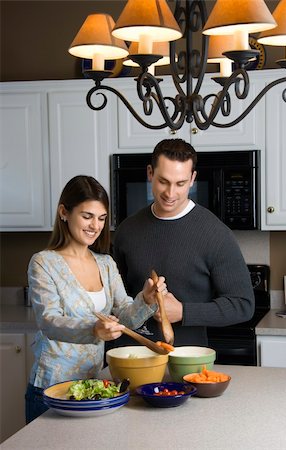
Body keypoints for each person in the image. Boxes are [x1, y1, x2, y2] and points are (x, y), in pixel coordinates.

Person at [25, 175, 166, 423]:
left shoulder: (106, 263)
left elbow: (125, 317)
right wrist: (94, 329)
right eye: (87, 216)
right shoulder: (43, 262)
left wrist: (145, 298)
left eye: (101, 218)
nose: (95, 226)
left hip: (93, 386)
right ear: (64, 212)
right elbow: (49, 321)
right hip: (52, 388)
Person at [113, 139, 255, 347]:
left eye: (180, 183)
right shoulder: (126, 230)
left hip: (187, 362)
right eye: (163, 181)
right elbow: (116, 301)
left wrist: (182, 312)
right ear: (150, 173)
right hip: (132, 359)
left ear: (192, 179)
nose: (170, 193)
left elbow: (243, 305)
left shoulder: (215, 234)